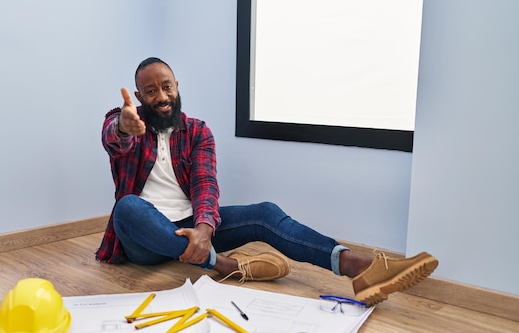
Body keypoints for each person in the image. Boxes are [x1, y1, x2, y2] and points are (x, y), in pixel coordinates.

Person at [96, 57, 438, 306]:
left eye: (166, 86)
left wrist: (203, 228)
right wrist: (126, 127)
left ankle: (355, 266)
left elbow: (206, 185)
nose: (162, 96)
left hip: (188, 228)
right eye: (151, 91)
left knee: (265, 212)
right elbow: (114, 136)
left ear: (177, 87)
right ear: (140, 98)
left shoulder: (198, 131)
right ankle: (223, 266)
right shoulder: (126, 121)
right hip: (144, 240)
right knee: (128, 207)